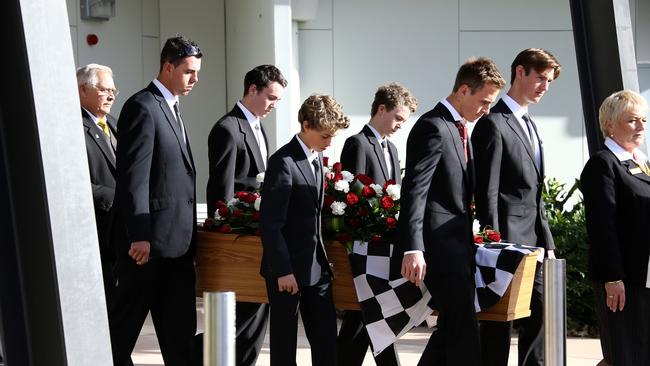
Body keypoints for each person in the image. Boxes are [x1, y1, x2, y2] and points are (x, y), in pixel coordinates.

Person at [398, 57, 505, 365]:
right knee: (464, 331)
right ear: (463, 90)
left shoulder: (457, 128)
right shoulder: (433, 127)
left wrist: (488, 237)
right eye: (484, 101)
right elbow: (415, 190)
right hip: (438, 250)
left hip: (458, 248)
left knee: (451, 329)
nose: (486, 109)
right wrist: (412, 248)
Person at [109, 36, 201, 366]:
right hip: (147, 250)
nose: (195, 79)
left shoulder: (172, 108)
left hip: (176, 249)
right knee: (121, 333)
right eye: (189, 71)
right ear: (167, 66)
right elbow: (134, 178)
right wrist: (140, 234)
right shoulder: (142, 106)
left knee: (180, 336)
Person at [471, 48, 561, 366]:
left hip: (534, 244)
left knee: (541, 318)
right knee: (498, 327)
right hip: (506, 244)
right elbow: (487, 192)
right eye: (540, 78)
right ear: (520, 72)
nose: (545, 86)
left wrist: (547, 243)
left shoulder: (531, 126)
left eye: (549, 81)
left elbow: (535, 196)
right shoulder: (493, 124)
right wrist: (493, 244)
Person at [205, 64, 287, 366]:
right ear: (252, 90)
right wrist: (224, 233)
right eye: (271, 98)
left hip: (259, 236)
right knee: (239, 321)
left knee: (256, 318)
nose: (274, 105)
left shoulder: (257, 126)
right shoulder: (228, 128)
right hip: (239, 239)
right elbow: (221, 192)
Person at [260, 94, 350, 366]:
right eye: (325, 136)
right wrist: (284, 270)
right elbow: (271, 223)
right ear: (306, 125)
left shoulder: (313, 159)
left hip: (316, 268)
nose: (330, 142)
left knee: (325, 340)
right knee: (285, 345)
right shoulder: (283, 162)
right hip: (287, 270)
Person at [338, 82, 417, 366]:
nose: (399, 125)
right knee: (370, 312)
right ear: (381, 109)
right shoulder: (357, 143)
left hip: (385, 245)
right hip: (366, 246)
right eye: (397, 118)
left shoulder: (392, 149)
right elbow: (352, 193)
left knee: (366, 315)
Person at [581, 90, 650, 366]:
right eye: (633, 120)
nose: (641, 127)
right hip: (623, 279)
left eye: (644, 120)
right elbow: (602, 226)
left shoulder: (641, 162)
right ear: (610, 125)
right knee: (623, 355)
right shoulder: (603, 164)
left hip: (644, 276)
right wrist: (612, 278)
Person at [77, 63, 119, 302]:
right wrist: (115, 198)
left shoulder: (113, 123)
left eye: (113, 90)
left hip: (118, 230)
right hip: (96, 228)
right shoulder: (72, 126)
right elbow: (72, 183)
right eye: (104, 90)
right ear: (83, 90)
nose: (111, 95)